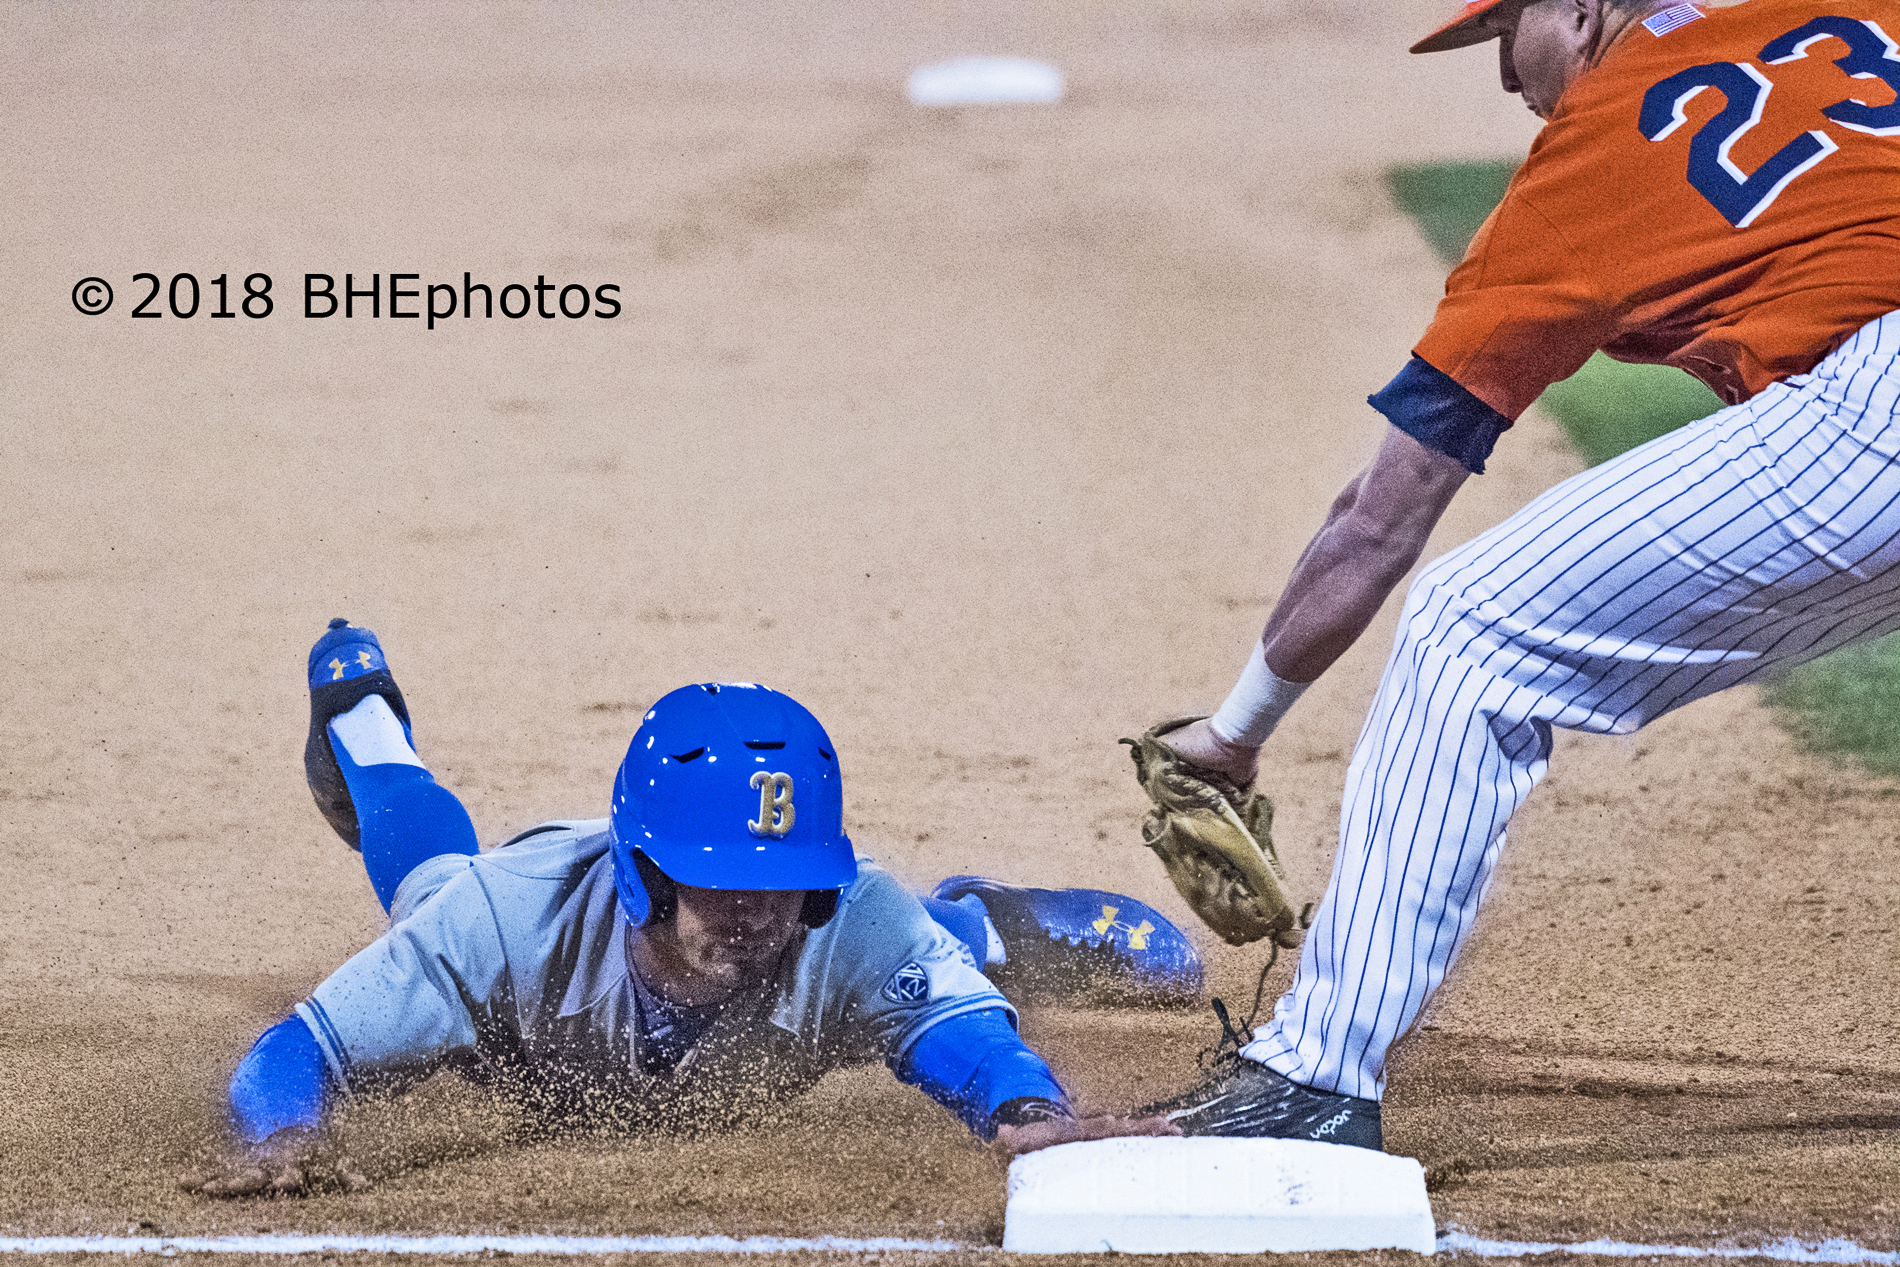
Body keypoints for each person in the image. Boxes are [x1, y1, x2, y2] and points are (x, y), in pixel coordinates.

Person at [1134, 0, 1900, 1151]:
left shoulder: (1588, 157)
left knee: (1471, 631)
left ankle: (1310, 1078)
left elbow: (1379, 520)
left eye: (1506, 32)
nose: (1502, 76)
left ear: (1583, 9)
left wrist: (1233, 734)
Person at [187, 620, 1187, 1196]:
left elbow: (966, 1037)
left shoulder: (852, 916)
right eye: (720, 879)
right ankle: (362, 719)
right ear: (645, 875)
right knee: (429, 885)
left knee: (923, 942)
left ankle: (993, 918)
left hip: (889, 936)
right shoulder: (501, 922)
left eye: (781, 880)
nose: (754, 910)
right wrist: (282, 1136)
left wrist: (1028, 1110)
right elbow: (295, 1050)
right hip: (501, 918)